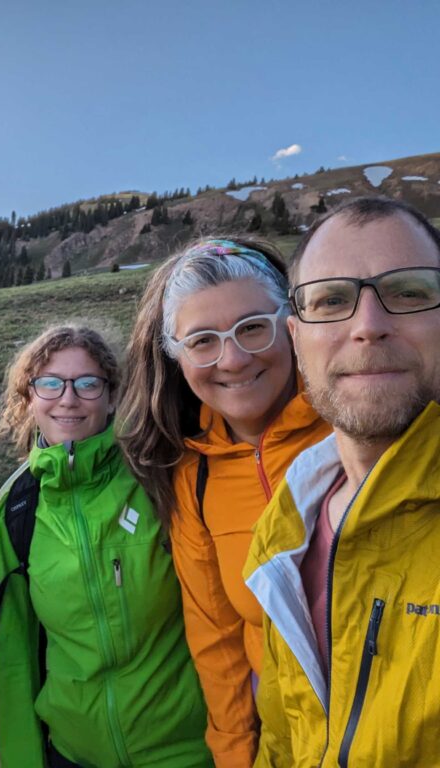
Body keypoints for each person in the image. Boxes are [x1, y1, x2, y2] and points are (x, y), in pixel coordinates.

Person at [243, 196, 440, 766]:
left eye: (408, 291)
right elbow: (281, 739)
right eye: (330, 300)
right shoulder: (285, 528)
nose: (368, 326)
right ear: (296, 338)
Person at [118, 238, 330, 767]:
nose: (232, 359)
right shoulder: (195, 477)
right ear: (175, 354)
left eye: (252, 328)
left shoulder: (355, 423)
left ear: (291, 322)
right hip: (288, 743)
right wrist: (236, 756)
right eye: (203, 341)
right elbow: (216, 638)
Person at [0, 325, 212, 768]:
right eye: (50, 383)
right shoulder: (15, 511)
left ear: (112, 397)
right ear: (29, 398)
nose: (68, 398)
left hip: (188, 752)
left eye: (88, 383)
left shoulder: (160, 477)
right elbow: (16, 658)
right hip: (73, 755)